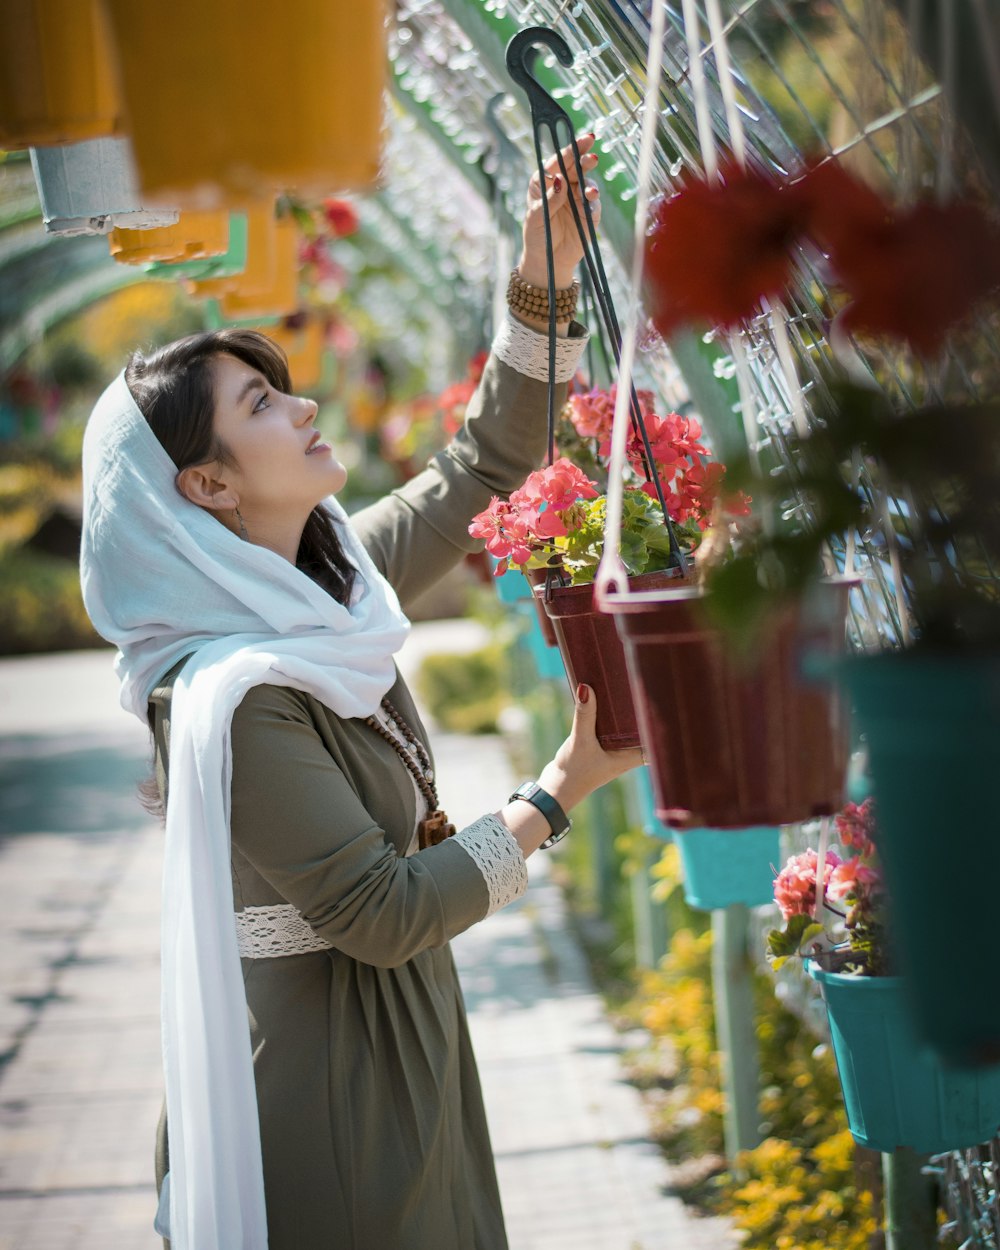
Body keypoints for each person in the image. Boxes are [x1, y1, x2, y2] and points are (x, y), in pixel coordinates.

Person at [80, 134, 642, 1250]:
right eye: (260, 406)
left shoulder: (327, 588)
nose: (302, 408)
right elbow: (380, 913)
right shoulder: (232, 694)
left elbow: (488, 463)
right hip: (324, 1075)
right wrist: (557, 791)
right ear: (208, 484)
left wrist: (543, 272)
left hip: (405, 1033)